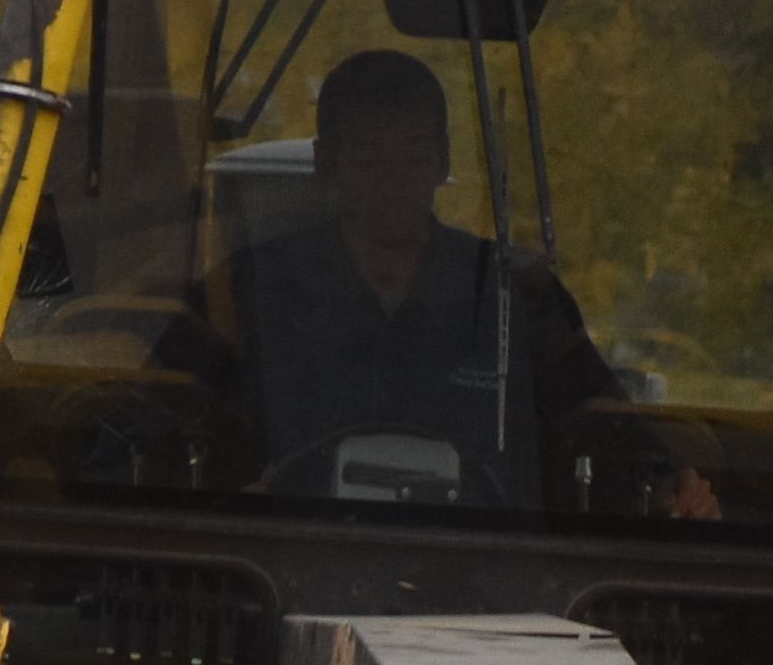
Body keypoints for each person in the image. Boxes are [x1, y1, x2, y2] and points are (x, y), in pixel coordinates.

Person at [159, 49, 648, 509]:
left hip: (494, 577)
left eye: (414, 155)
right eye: (369, 158)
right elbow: (144, 435)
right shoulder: (246, 290)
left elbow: (616, 448)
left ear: (443, 162)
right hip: (283, 568)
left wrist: (672, 488)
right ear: (326, 163)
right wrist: (232, 506)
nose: (393, 180)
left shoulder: (515, 295)